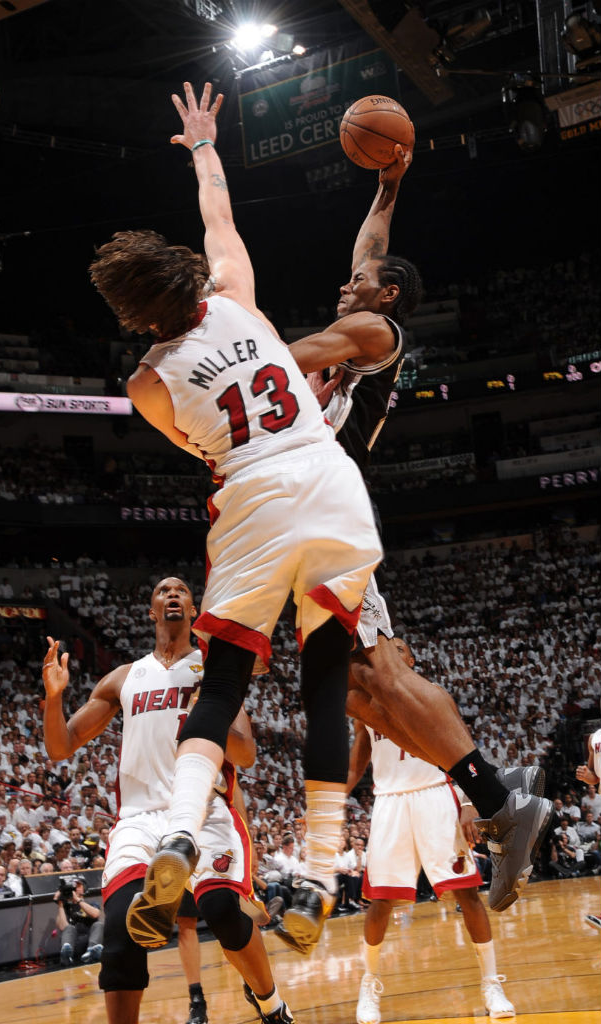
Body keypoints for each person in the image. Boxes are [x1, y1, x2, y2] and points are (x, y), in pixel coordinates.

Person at [89, 81, 382, 959]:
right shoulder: (235, 294)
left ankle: (178, 835)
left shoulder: (145, 381)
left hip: (251, 495)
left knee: (221, 689)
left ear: (136, 311)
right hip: (328, 481)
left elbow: (199, 444)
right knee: (326, 680)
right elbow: (218, 211)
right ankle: (322, 872)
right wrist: (204, 145)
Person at [285, 140, 552, 913]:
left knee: (381, 676)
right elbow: (370, 244)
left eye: (361, 281)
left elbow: (288, 352)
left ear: (390, 295)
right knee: (355, 688)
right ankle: (503, 788)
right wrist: (389, 184)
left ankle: (504, 802)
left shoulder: (374, 337)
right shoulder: (363, 312)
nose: (348, 281)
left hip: (328, 515)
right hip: (308, 522)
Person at [42, 576, 295, 1024]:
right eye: (163, 591)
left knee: (220, 909)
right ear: (152, 611)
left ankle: (271, 1005)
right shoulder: (125, 677)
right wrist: (54, 698)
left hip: (205, 812)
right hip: (139, 818)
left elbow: (247, 755)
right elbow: (61, 746)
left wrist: (205, 712)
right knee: (119, 932)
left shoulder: (215, 673)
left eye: (181, 591)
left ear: (194, 611)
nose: (173, 594)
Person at [347, 637, 516, 1024]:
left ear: (410, 658)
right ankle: (369, 985)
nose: (390, 651)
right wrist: (331, 797)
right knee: (380, 902)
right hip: (389, 800)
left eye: (399, 647)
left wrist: (470, 803)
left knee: (467, 894)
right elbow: (357, 761)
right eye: (386, 646)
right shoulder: (365, 705)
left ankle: (491, 982)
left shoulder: (434, 695)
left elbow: (463, 751)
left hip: (436, 795)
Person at [55, 876, 104, 966]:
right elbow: (62, 927)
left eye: (77, 885)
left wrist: (77, 900)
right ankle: (66, 955)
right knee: (69, 928)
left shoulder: (92, 904)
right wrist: (60, 904)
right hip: (74, 943)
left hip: (90, 941)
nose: (75, 888)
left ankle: (91, 952)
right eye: (73, 886)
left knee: (99, 925)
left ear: (84, 888)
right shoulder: (66, 907)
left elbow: (95, 914)